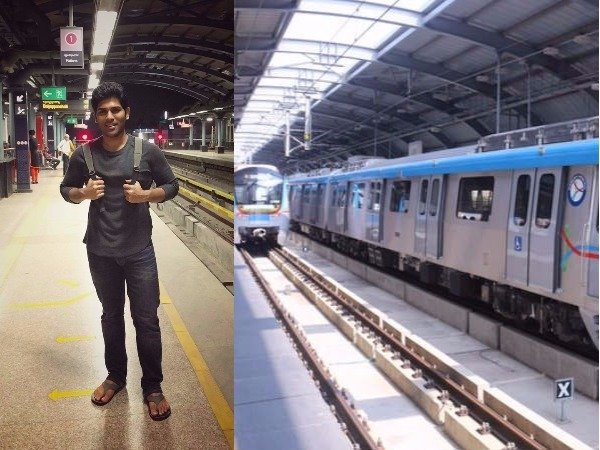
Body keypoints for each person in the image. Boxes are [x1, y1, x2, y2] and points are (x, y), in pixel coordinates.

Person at [59, 82, 178, 421]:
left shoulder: (147, 151)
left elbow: (172, 186)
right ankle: (116, 376)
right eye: (102, 112)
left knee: (146, 320)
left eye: (115, 110)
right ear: (95, 117)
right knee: (111, 316)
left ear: (126, 112)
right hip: (100, 251)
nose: (109, 116)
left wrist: (146, 196)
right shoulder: (84, 154)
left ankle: (152, 386)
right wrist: (83, 193)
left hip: (139, 250)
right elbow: (65, 189)